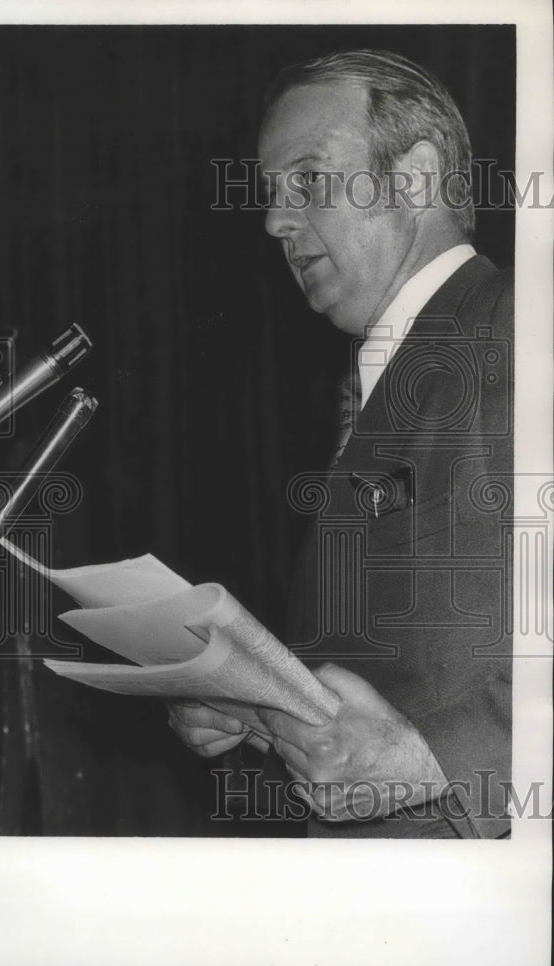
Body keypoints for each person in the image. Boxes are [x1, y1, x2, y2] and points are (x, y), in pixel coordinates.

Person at [167, 50, 513, 839]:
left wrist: (439, 763)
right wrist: (253, 709)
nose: (273, 220)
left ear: (415, 177)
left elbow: (421, 742)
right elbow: (394, 681)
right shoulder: (383, 379)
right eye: (268, 193)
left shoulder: (515, 323)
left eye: (309, 180)